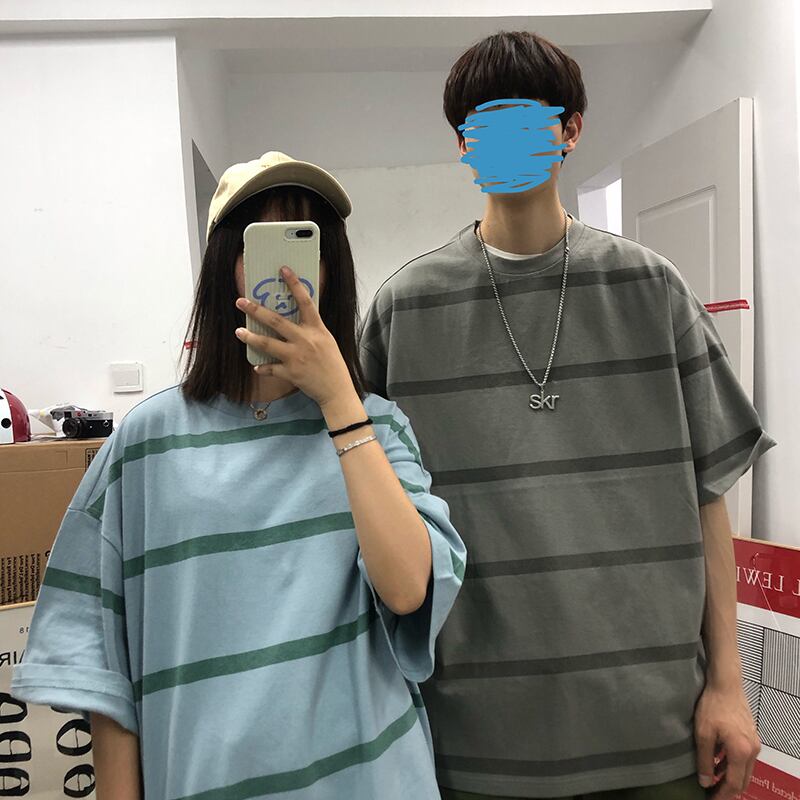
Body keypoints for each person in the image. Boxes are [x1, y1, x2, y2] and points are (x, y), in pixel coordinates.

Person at [359, 31, 775, 800]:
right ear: (462, 145)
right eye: (484, 126)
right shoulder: (402, 312)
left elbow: (709, 494)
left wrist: (728, 684)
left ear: (571, 129)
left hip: (656, 736)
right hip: (472, 745)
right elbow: (371, 517)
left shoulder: (653, 290)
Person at [12, 151, 466, 799]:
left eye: (308, 247)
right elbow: (98, 654)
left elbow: (407, 590)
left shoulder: (378, 428)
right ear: (225, 264)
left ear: (333, 272)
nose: (288, 274)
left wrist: (341, 403)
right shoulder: (145, 440)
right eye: (262, 246)